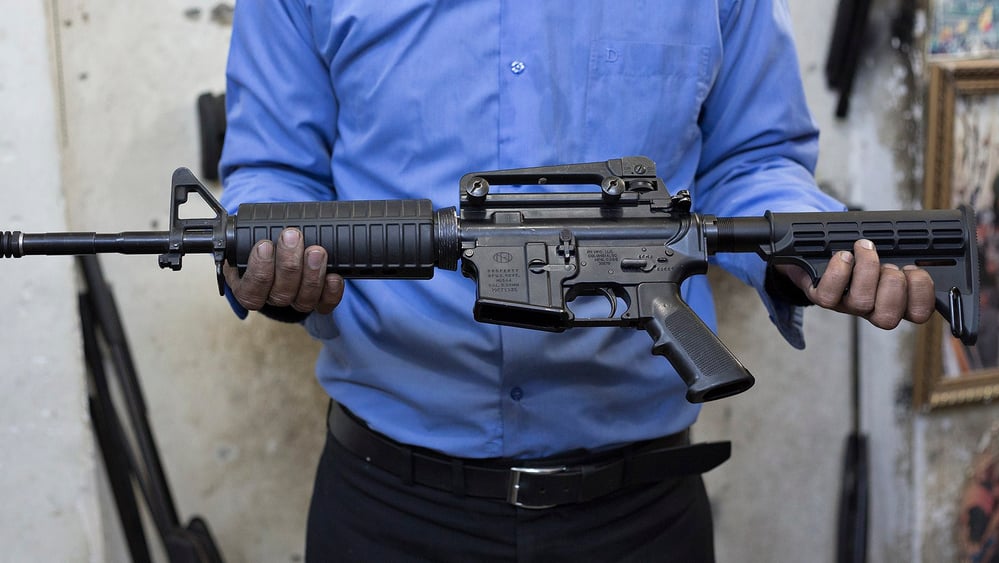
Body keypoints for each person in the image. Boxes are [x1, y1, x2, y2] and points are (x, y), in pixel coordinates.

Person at [217, 1, 936, 561]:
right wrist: (265, 259)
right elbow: (273, 170)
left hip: (640, 515)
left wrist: (809, 244)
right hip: (390, 510)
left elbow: (754, 158)